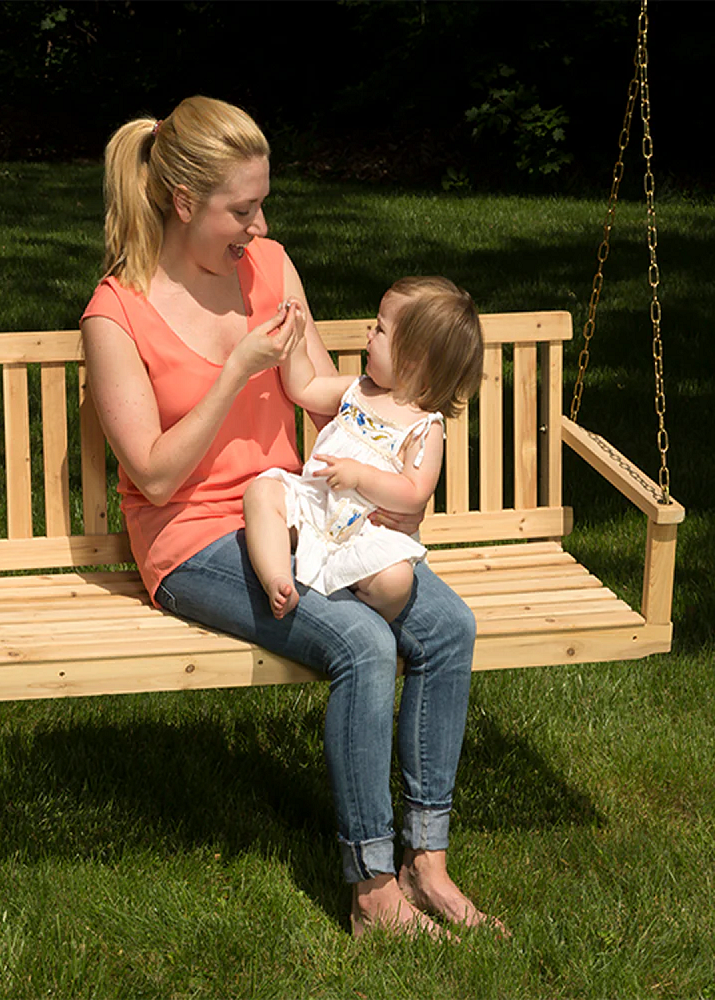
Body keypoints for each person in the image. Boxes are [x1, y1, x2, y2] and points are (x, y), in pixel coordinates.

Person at [80, 95, 500, 938]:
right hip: (193, 537)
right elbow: (155, 478)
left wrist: (390, 468)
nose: (259, 223)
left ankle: (430, 861)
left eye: (262, 203)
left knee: (448, 625)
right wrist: (237, 369)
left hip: (307, 512)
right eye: (243, 208)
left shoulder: (269, 267)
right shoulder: (114, 313)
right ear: (182, 200)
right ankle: (373, 886)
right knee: (361, 642)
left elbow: (328, 399)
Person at [243, 278, 484, 622]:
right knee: (262, 492)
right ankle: (277, 577)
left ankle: (371, 617)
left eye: (380, 330)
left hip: (367, 534)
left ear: (412, 359)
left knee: (397, 580)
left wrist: (360, 476)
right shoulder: (358, 390)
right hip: (316, 506)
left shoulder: (423, 427)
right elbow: (305, 387)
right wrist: (295, 342)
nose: (369, 335)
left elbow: (415, 493)